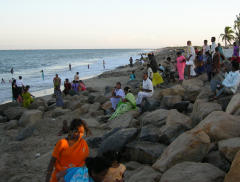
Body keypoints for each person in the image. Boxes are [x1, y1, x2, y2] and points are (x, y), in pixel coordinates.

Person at [57, 151, 126, 182]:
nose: (105, 176)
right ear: (93, 173)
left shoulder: (80, 170)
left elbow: (59, 174)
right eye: (102, 175)